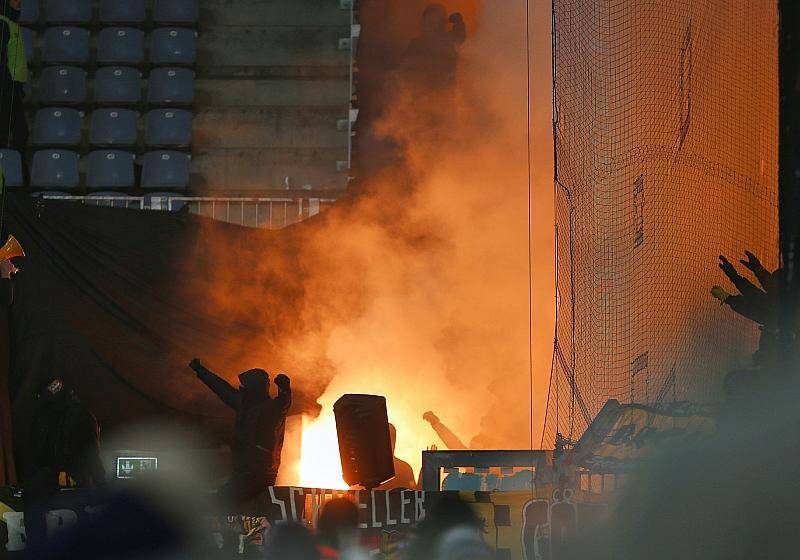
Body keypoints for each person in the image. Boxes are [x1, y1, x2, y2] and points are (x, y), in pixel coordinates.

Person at [189, 358, 291, 503]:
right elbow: (222, 388)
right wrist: (201, 371)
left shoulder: (270, 408)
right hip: (244, 471)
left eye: (245, 385)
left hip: (258, 473)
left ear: (255, 387)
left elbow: (284, 402)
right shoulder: (244, 404)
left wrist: (284, 388)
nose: (241, 388)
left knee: (222, 501)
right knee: (228, 502)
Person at [23, 376, 104, 547]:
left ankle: (37, 547)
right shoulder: (46, 414)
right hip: (53, 472)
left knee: (35, 489)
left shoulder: (80, 414)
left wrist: (99, 481)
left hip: (73, 473)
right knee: (34, 487)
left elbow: (91, 453)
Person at [405, 3, 466, 90]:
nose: (433, 23)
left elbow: (459, 36)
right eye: (430, 19)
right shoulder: (416, 44)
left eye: (437, 18)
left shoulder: (448, 39)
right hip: (424, 90)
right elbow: (407, 69)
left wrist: (459, 22)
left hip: (445, 90)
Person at [0, 0, 29, 177]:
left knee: (19, 133)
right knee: (10, 134)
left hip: (12, 88)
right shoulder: (3, 24)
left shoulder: (9, 24)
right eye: (16, 1)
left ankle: (17, 176)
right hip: (6, 89)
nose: (19, 4)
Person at [376, 423, 416, 490]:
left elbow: (414, 491)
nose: (389, 443)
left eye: (392, 438)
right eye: (385, 439)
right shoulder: (366, 473)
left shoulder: (405, 469)